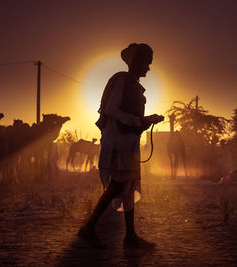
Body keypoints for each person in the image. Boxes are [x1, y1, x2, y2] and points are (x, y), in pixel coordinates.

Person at [78, 43, 164, 249]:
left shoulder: (132, 85)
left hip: (128, 144)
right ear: (137, 62)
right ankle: (89, 228)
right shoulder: (121, 81)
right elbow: (111, 110)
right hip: (117, 143)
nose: (148, 68)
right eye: (146, 63)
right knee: (118, 185)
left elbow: (131, 117)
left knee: (129, 186)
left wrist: (147, 120)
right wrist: (139, 122)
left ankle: (130, 236)